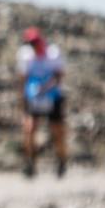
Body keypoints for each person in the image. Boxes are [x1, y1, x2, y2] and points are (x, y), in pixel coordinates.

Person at [17, 27, 68, 178]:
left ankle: (61, 160)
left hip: (52, 96)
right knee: (29, 128)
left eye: (35, 42)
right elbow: (22, 79)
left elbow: (59, 76)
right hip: (33, 97)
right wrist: (23, 101)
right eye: (30, 43)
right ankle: (30, 163)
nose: (33, 46)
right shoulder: (25, 56)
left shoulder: (53, 54)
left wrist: (46, 87)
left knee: (57, 131)